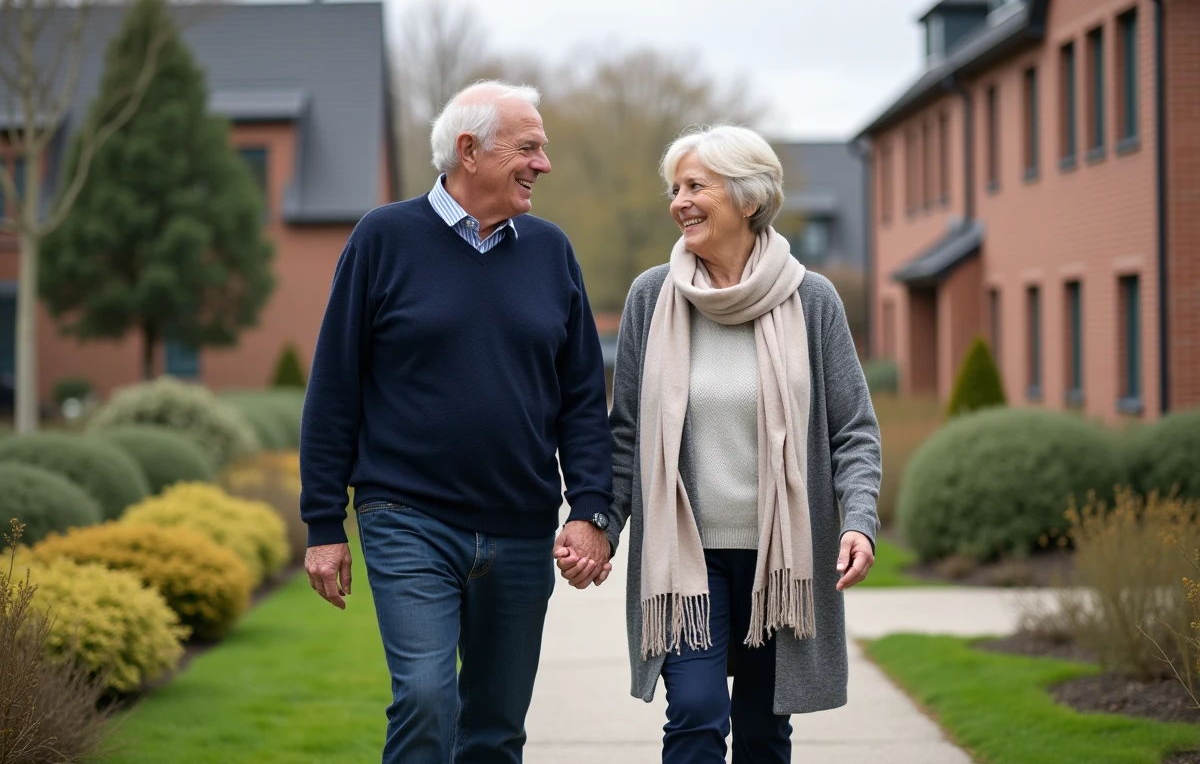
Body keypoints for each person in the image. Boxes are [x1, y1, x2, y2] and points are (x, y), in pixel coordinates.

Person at [300, 80, 615, 764]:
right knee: (424, 698)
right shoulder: (383, 238)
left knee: (496, 731)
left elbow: (583, 399)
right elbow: (333, 387)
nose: (543, 164)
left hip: (521, 527)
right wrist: (323, 523)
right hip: (407, 516)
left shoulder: (551, 251)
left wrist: (592, 507)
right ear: (469, 151)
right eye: (528, 148)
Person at [591, 124, 882, 763]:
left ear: (748, 198)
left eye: (696, 186)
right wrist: (602, 527)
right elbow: (627, 433)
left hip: (779, 560)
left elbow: (853, 431)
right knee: (695, 714)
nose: (680, 202)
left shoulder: (811, 300)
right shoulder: (652, 297)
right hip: (684, 557)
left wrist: (858, 520)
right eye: (675, 189)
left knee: (761, 732)